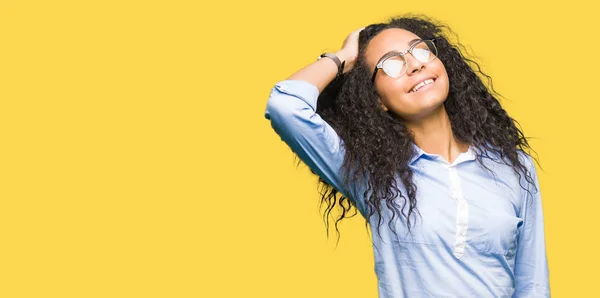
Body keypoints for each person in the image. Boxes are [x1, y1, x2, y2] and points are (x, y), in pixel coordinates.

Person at [263, 13, 550, 297]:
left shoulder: (512, 167)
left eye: (420, 50)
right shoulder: (373, 175)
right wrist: (343, 57)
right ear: (377, 99)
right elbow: (286, 106)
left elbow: (533, 285)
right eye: (391, 63)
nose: (414, 65)